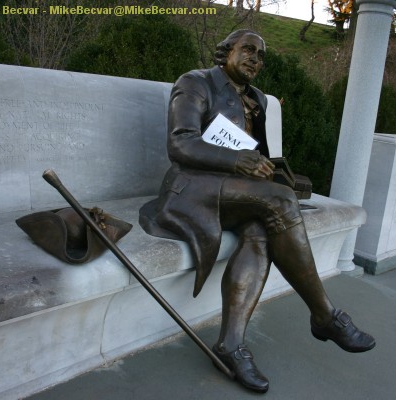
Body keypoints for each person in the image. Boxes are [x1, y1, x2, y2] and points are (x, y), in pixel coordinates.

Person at [139, 29, 375, 393]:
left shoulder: (259, 100)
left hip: (236, 193)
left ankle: (230, 345)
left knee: (261, 228)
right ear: (225, 52)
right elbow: (180, 142)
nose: (255, 59)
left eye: (261, 55)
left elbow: (257, 154)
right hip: (191, 189)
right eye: (247, 50)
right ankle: (325, 315)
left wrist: (272, 170)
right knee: (279, 203)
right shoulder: (196, 82)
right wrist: (236, 160)